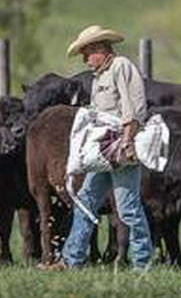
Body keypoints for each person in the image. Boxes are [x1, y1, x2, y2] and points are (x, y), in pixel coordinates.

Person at [41, 25, 153, 270]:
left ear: (99, 49)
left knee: (128, 207)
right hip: (103, 151)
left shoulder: (121, 67)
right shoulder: (100, 76)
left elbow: (133, 107)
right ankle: (71, 260)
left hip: (122, 148)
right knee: (85, 201)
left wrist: (128, 141)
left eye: (86, 52)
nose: (84, 58)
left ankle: (142, 263)